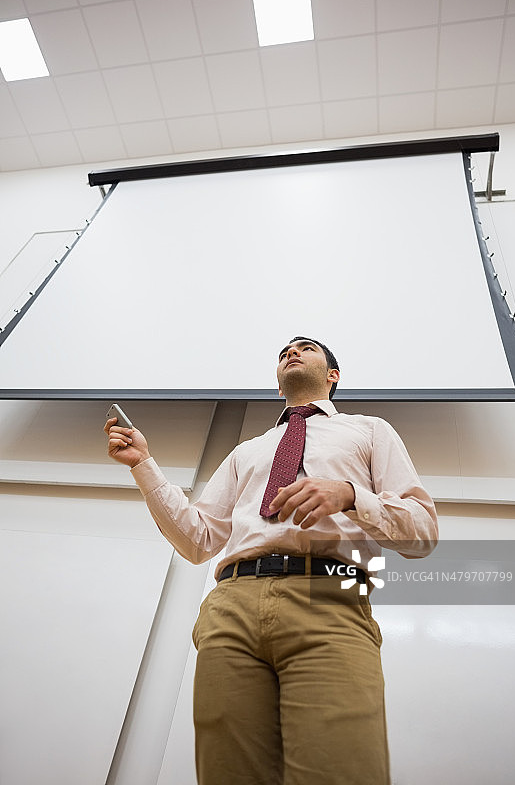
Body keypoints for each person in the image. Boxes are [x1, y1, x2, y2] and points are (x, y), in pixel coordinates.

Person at [104, 336, 438, 785]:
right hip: (231, 607)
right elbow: (199, 539)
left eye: (306, 348)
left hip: (331, 600)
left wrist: (351, 495)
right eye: (284, 352)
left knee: (341, 771)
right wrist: (143, 465)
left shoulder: (371, 430)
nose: (292, 353)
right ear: (279, 383)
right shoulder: (248, 451)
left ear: (333, 375)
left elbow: (423, 531)